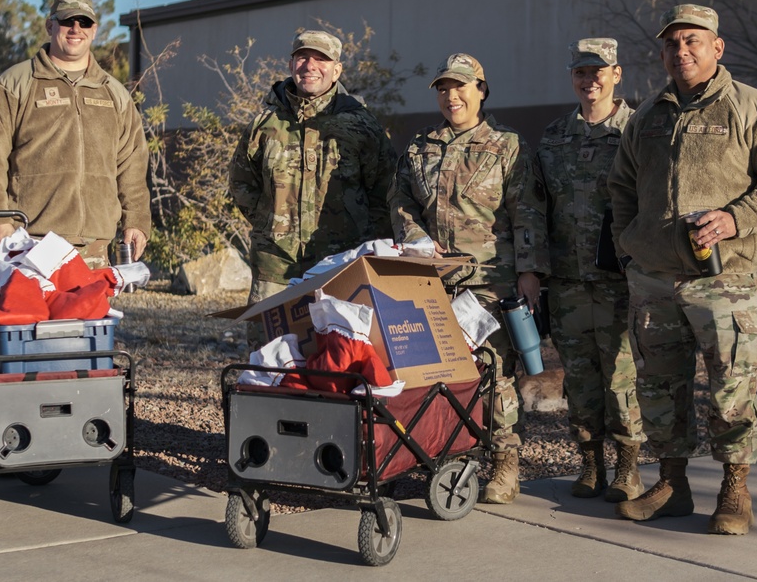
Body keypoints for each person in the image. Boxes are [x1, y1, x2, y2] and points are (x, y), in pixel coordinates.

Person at [608, 4, 757, 535]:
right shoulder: (647, 117)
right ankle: (671, 483)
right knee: (658, 388)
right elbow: (621, 188)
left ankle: (734, 489)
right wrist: (630, 246)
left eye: (693, 41)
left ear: (717, 48)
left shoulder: (755, 110)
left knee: (732, 388)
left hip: (725, 280)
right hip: (653, 280)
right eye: (673, 44)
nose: (682, 51)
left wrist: (735, 218)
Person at [390, 53, 549, 504]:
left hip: (489, 283)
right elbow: (399, 200)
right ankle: (444, 459)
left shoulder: (507, 145)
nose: (451, 95)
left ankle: (504, 467)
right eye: (443, 88)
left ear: (481, 89)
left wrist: (529, 272)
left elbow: (528, 213)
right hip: (431, 282)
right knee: (434, 374)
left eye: (460, 86)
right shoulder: (421, 146)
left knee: (496, 374)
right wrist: (416, 237)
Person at [229, 29, 396, 334]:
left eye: (321, 58)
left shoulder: (361, 126)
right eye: (302, 57)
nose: (310, 65)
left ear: (337, 70)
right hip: (275, 268)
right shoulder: (265, 124)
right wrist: (269, 222)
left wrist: (360, 241)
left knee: (339, 356)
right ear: (291, 64)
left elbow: (385, 191)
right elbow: (241, 182)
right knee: (270, 359)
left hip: (340, 267)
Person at [535, 39, 645, 503]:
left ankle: (628, 468)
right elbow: (538, 207)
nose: (590, 79)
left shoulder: (638, 131)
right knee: (579, 378)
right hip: (567, 282)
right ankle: (591, 463)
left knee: (621, 377)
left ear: (616, 74)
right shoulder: (554, 137)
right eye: (581, 72)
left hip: (620, 281)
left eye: (598, 71)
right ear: (573, 78)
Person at [0, 0, 151, 268]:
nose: (76, 29)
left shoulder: (114, 94)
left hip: (96, 248)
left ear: (94, 31)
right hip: (31, 244)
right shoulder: (13, 85)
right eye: (67, 21)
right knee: (36, 314)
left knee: (93, 314)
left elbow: (132, 165)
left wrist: (136, 220)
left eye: (84, 22)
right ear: (50, 25)